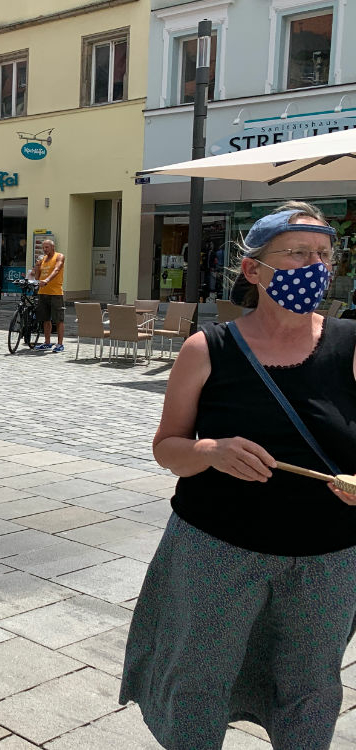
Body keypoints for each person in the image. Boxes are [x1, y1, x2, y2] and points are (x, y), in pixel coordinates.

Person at [120, 201, 356, 750]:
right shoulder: (208, 349)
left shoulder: (350, 345)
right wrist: (211, 450)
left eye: (323, 254)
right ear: (254, 270)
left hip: (328, 558)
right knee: (197, 679)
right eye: (297, 253)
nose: (314, 266)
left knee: (311, 687)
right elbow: (168, 450)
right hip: (216, 550)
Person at [33, 239, 65, 352]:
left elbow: (57, 269)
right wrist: (37, 266)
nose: (44, 249)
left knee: (59, 319)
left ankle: (60, 344)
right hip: (43, 292)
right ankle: (47, 342)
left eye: (47, 247)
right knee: (45, 319)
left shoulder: (59, 256)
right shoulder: (43, 259)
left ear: (52, 247)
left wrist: (47, 279)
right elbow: (37, 277)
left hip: (55, 293)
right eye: (43, 247)